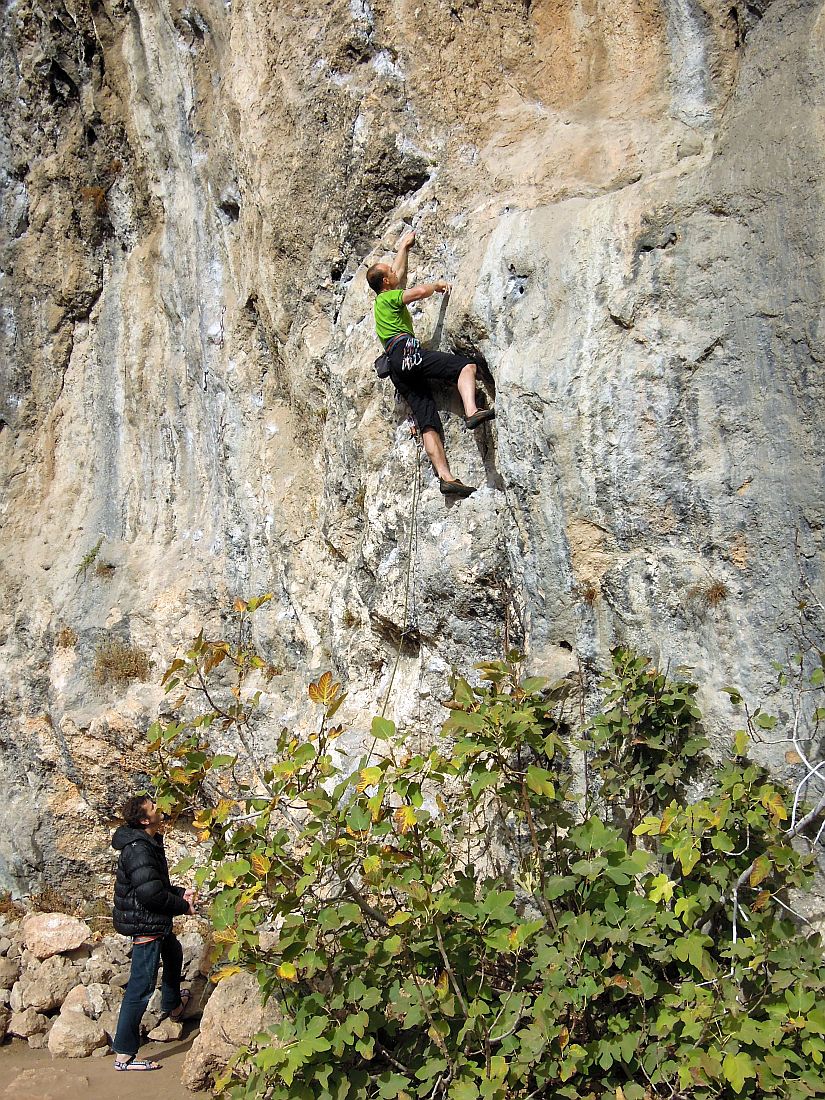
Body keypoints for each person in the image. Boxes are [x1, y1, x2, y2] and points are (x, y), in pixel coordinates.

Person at [367, 231, 495, 497]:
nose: (394, 271)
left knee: (427, 420)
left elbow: (398, 273)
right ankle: (472, 411)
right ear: (386, 282)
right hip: (406, 352)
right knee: (465, 367)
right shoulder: (390, 297)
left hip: (395, 366)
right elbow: (413, 292)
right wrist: (434, 287)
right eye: (390, 272)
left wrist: (404, 246)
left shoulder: (381, 301)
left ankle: (446, 478)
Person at [110, 794, 196, 1071]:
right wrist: (183, 906)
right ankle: (124, 1054)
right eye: (154, 807)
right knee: (141, 986)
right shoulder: (138, 848)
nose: (161, 808)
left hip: (152, 919)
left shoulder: (148, 842)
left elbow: (153, 884)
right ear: (145, 819)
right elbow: (149, 895)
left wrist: (181, 893)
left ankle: (172, 1006)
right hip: (145, 923)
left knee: (174, 951)